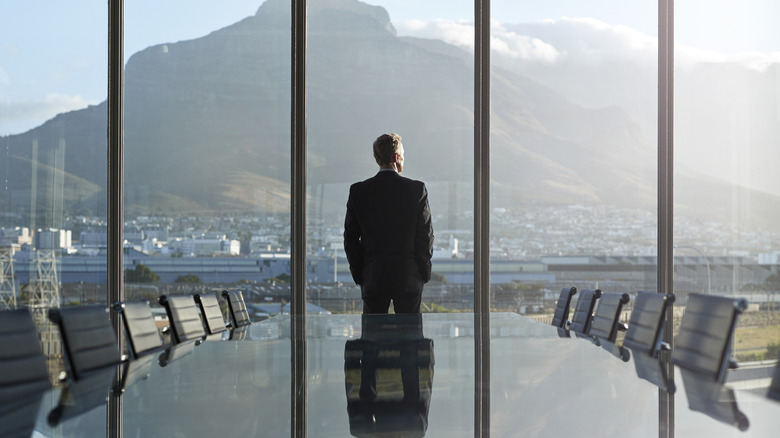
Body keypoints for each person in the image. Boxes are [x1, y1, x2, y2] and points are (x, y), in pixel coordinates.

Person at [343, 133, 434, 314]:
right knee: (410, 336)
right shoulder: (416, 190)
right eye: (403, 154)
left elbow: (350, 239)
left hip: (373, 275)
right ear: (396, 158)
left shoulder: (359, 191)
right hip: (408, 275)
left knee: (372, 337)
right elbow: (425, 236)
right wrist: (423, 273)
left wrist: (361, 274)